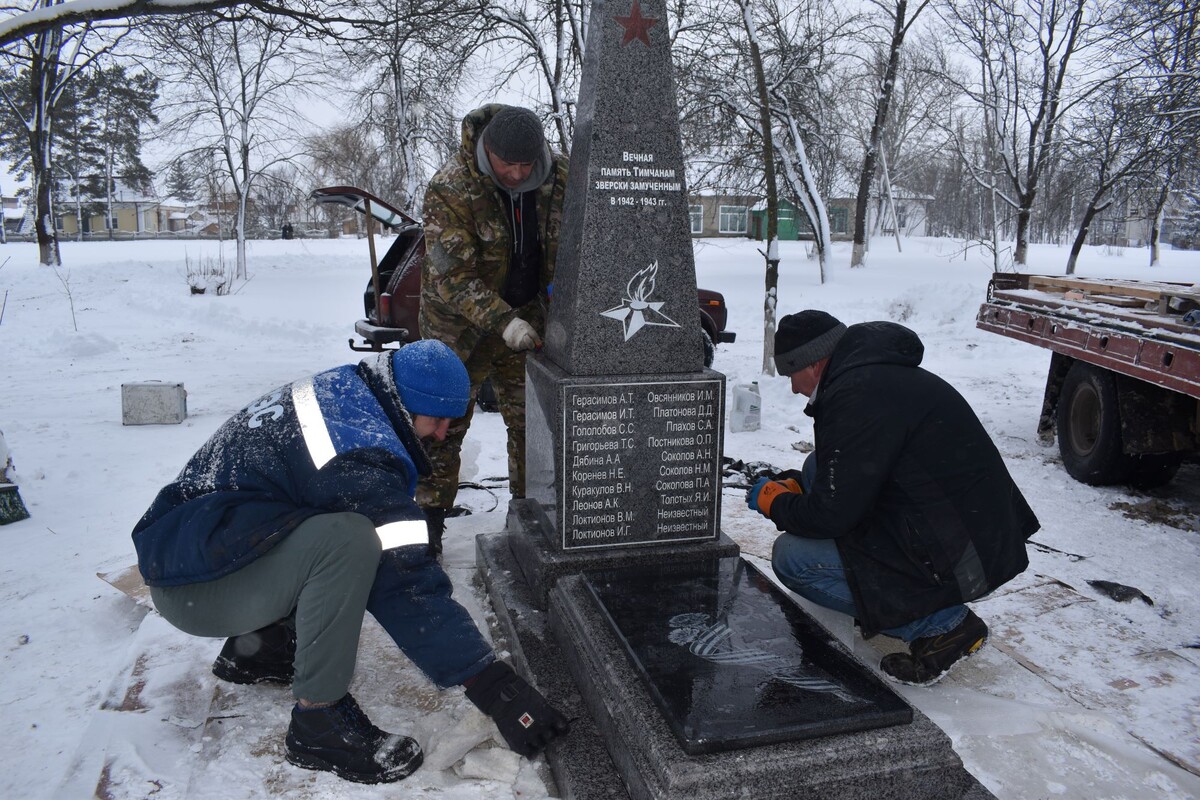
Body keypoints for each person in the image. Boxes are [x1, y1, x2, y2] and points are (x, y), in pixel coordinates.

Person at [131, 340, 569, 785]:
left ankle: (264, 647)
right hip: (199, 589)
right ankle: (319, 724)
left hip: (194, 556)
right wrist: (490, 684)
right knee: (350, 541)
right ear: (405, 405)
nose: (441, 435)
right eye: (436, 420)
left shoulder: (349, 391)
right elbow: (404, 584)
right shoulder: (358, 455)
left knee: (317, 525)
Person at [747, 310, 1039, 685]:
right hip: (969, 530)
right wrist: (800, 490)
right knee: (814, 467)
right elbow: (852, 472)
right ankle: (884, 597)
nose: (792, 388)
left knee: (793, 559)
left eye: (792, 374)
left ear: (814, 363)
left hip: (962, 556)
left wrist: (776, 504)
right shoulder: (871, 377)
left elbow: (831, 515)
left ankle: (944, 628)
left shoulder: (856, 397)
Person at [418, 104, 569, 555]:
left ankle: (530, 522)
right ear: (488, 151)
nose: (518, 174)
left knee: (532, 426)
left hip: (528, 323)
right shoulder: (451, 187)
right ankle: (425, 533)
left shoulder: (560, 176)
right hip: (457, 331)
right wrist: (504, 322)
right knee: (441, 430)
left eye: (527, 164)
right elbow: (452, 278)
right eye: (508, 164)